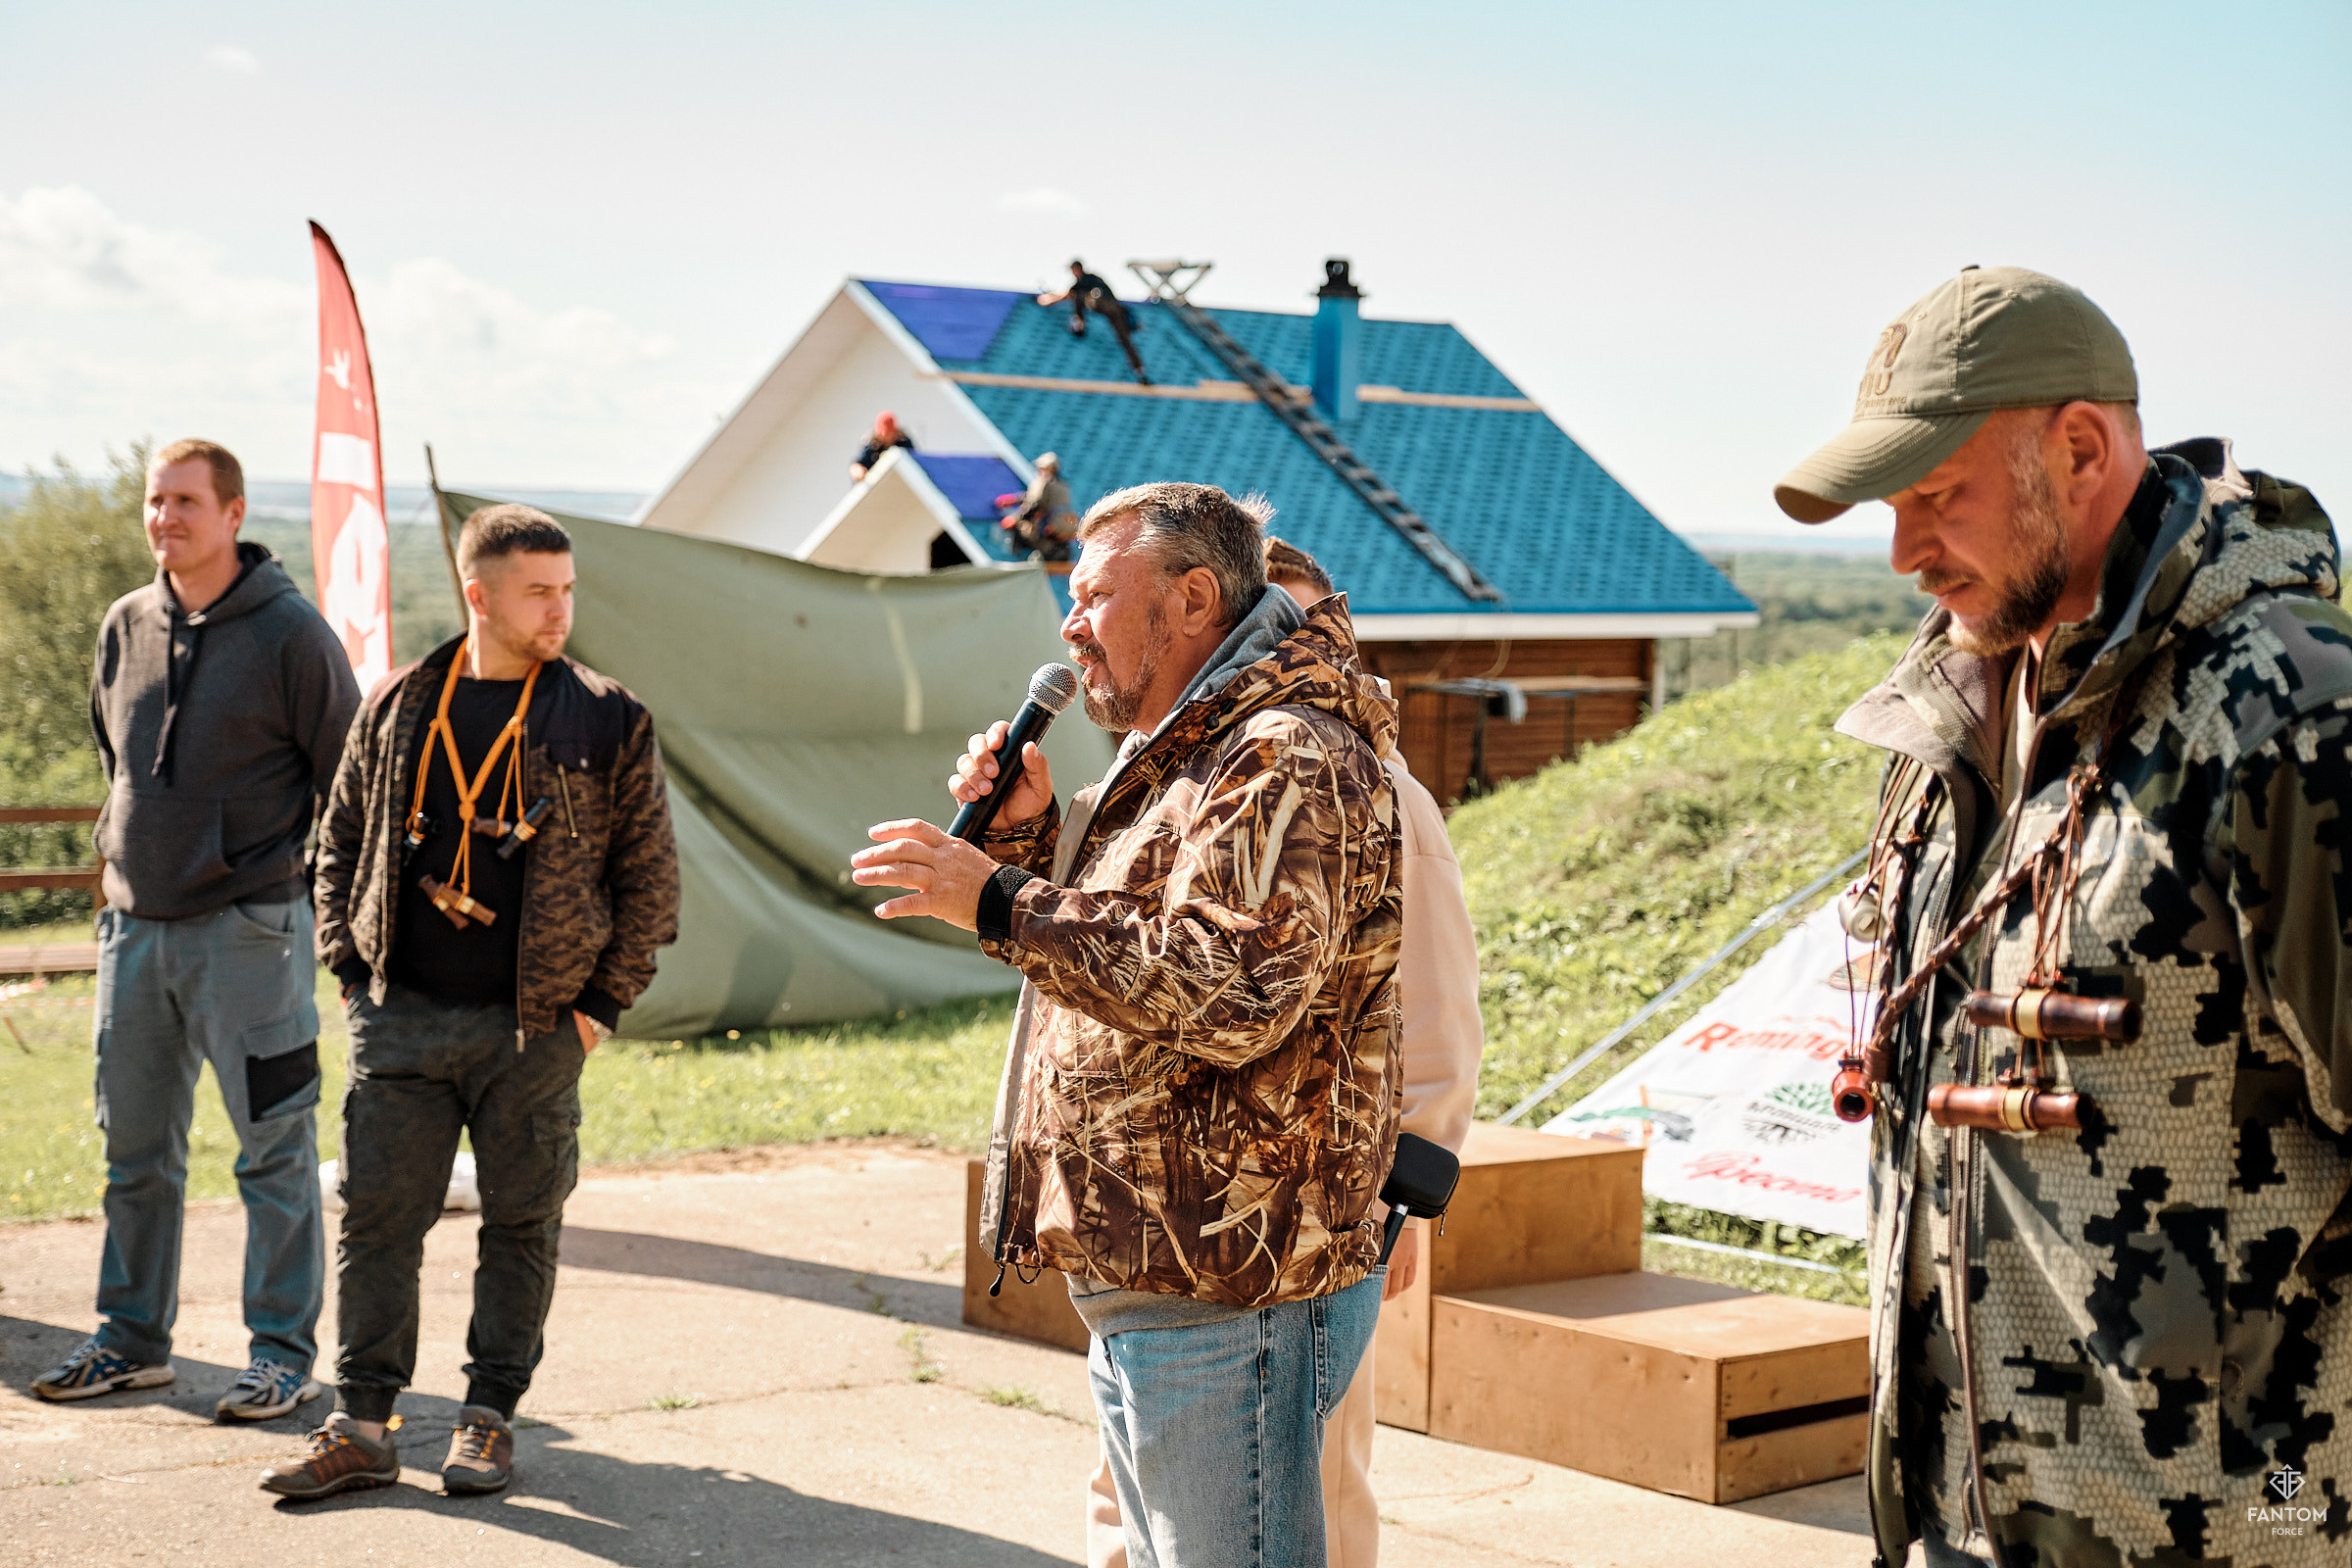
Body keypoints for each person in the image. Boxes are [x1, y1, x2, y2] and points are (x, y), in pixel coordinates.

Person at [1776, 266, 2352, 1566]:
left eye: (1938, 494)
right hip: (1955, 1520)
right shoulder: (1952, 713)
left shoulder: (2290, 721)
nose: (1904, 551)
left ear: (2081, 449)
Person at [851, 483, 1401, 1567]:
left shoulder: (1280, 748)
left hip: (1228, 1284)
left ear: (1194, 598)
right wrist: (1022, 840)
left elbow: (1236, 987)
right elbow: (1138, 946)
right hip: (1163, 1274)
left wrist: (999, 898)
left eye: (1096, 594)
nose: (1069, 625)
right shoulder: (1190, 748)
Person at [1080, 534, 1484, 1568]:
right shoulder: (1176, 779)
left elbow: (1434, 1018)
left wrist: (1404, 1207)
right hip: (1163, 1238)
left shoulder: (1382, 795)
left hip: (1307, 1230)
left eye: (1297, 625)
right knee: (1133, 1501)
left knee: (1308, 1485)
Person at [263, 504, 680, 1501]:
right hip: (400, 1016)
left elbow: (651, 882)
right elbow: (340, 845)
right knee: (375, 1223)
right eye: (540, 591)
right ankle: (362, 1426)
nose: (560, 610)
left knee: (522, 1225)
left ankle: (487, 1420)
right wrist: (353, 975)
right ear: (478, 593)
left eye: (568, 589)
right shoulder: (404, 702)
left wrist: (599, 1006)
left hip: (536, 1027)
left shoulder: (605, 715)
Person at [31, 440, 360, 1421]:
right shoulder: (126, 624)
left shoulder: (293, 635)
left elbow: (347, 779)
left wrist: (320, 914)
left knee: (273, 1149)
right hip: (135, 933)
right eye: (153, 500)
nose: (164, 517)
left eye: (184, 501)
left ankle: (280, 1354)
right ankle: (132, 1340)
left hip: (251, 933)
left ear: (233, 512)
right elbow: (117, 755)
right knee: (133, 1149)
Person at [1037, 261, 1151, 385]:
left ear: (1078, 269)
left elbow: (1069, 295)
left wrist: (1047, 300)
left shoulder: (1084, 280)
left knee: (1079, 296)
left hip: (1100, 303)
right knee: (1125, 339)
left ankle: (1079, 325)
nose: (1073, 273)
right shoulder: (1095, 279)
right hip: (1116, 308)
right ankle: (1139, 371)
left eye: (1073, 270)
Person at [997, 452, 1078, 561]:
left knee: (1019, 529)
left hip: (1045, 532)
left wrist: (1014, 519)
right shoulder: (1063, 485)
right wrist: (1014, 499)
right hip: (1060, 535)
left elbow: (1033, 504)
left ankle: (1018, 559)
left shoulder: (1044, 482)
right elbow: (1034, 498)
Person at [850, 410, 913, 481]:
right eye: (885, 435)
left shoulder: (903, 441)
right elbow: (857, 465)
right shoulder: (871, 444)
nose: (889, 438)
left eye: (891, 434)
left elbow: (915, 459)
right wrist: (857, 471)